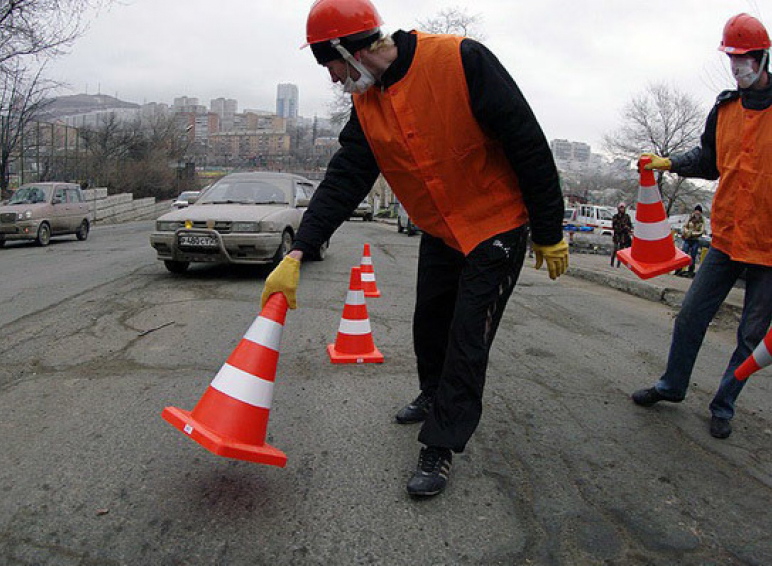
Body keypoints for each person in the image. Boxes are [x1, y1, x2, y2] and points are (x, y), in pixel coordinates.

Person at [260, 0, 567, 497]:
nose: (334, 78)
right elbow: (345, 178)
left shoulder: (461, 61)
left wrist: (549, 229)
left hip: (497, 226)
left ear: (347, 48)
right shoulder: (367, 102)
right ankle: (432, 394)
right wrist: (300, 250)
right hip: (443, 229)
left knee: (468, 338)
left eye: (330, 64)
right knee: (429, 322)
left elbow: (527, 142)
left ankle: (441, 445)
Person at [632, 13, 772, 440]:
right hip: (727, 238)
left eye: (745, 58)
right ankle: (672, 385)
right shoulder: (725, 107)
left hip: (769, 248)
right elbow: (708, 161)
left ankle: (723, 404)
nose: (737, 67)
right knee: (691, 315)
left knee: (750, 336)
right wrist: (669, 162)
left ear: (764, 57)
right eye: (732, 59)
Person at [675, 205, 705, 276]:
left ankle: (690, 270)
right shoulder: (690, 218)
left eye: (699, 212)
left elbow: (701, 231)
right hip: (687, 239)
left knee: (693, 255)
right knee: (684, 253)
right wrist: (687, 232)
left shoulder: (701, 221)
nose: (697, 213)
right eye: (696, 211)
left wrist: (693, 233)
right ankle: (679, 269)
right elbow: (685, 226)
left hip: (695, 240)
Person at [610, 202, 633, 268]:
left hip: (624, 237)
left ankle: (618, 265)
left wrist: (627, 228)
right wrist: (621, 227)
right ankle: (612, 263)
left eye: (623, 208)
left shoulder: (627, 217)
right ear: (618, 208)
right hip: (617, 236)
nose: (622, 209)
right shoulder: (615, 216)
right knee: (615, 249)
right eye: (621, 208)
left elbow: (630, 226)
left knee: (621, 251)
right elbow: (614, 226)